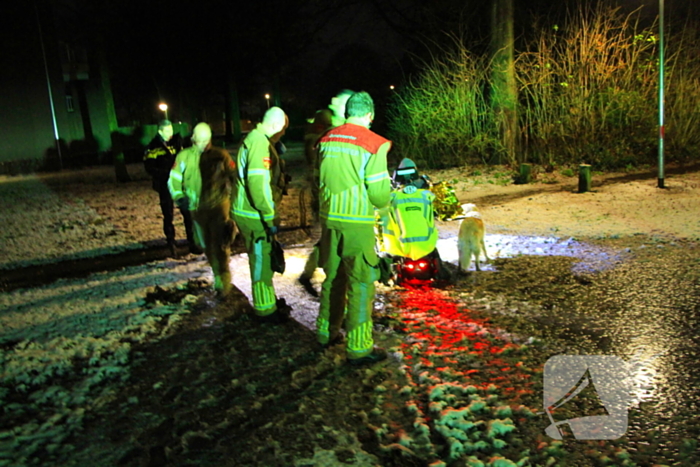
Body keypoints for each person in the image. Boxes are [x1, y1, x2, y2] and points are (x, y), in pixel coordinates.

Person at [316, 91, 392, 365]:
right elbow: (380, 195)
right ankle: (359, 347)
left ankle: (326, 332)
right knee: (361, 283)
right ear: (369, 115)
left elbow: (318, 177)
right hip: (356, 223)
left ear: (349, 112)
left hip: (329, 220)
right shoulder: (374, 143)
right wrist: (388, 200)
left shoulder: (326, 138)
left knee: (333, 277)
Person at [233, 107, 291, 323]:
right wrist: (269, 215)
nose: (283, 133)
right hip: (253, 213)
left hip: (247, 211)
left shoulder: (256, 140)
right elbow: (258, 185)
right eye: (283, 129)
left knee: (262, 259)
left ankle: (267, 301)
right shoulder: (259, 144)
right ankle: (265, 311)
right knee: (261, 261)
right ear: (276, 126)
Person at [168, 123, 236, 296]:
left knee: (219, 245)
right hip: (197, 209)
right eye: (200, 141)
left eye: (206, 141)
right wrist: (179, 196)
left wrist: (235, 202)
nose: (203, 144)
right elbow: (174, 179)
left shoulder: (221, 155)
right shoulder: (184, 157)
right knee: (205, 245)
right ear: (193, 139)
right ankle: (218, 273)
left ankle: (223, 279)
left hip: (219, 206)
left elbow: (235, 177)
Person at [298, 89, 354, 296]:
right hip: (328, 194)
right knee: (331, 238)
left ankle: (310, 272)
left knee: (329, 238)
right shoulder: (328, 127)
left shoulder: (333, 126)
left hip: (329, 193)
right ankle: (331, 280)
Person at [144, 119, 199, 256]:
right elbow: (150, 168)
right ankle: (171, 244)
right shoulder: (152, 148)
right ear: (160, 131)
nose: (170, 133)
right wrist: (168, 174)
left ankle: (192, 243)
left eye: (171, 130)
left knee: (188, 214)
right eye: (167, 131)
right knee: (168, 215)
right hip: (165, 185)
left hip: (181, 185)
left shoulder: (177, 143)